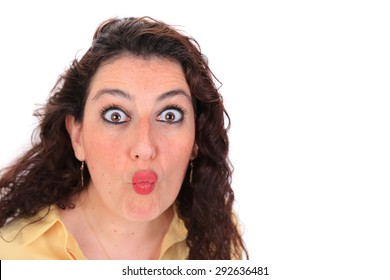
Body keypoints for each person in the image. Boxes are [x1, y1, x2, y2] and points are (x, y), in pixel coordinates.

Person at [0, 16, 248, 260]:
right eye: (116, 116)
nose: (144, 148)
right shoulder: (13, 257)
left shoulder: (218, 237)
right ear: (77, 136)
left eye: (169, 116)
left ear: (196, 139)